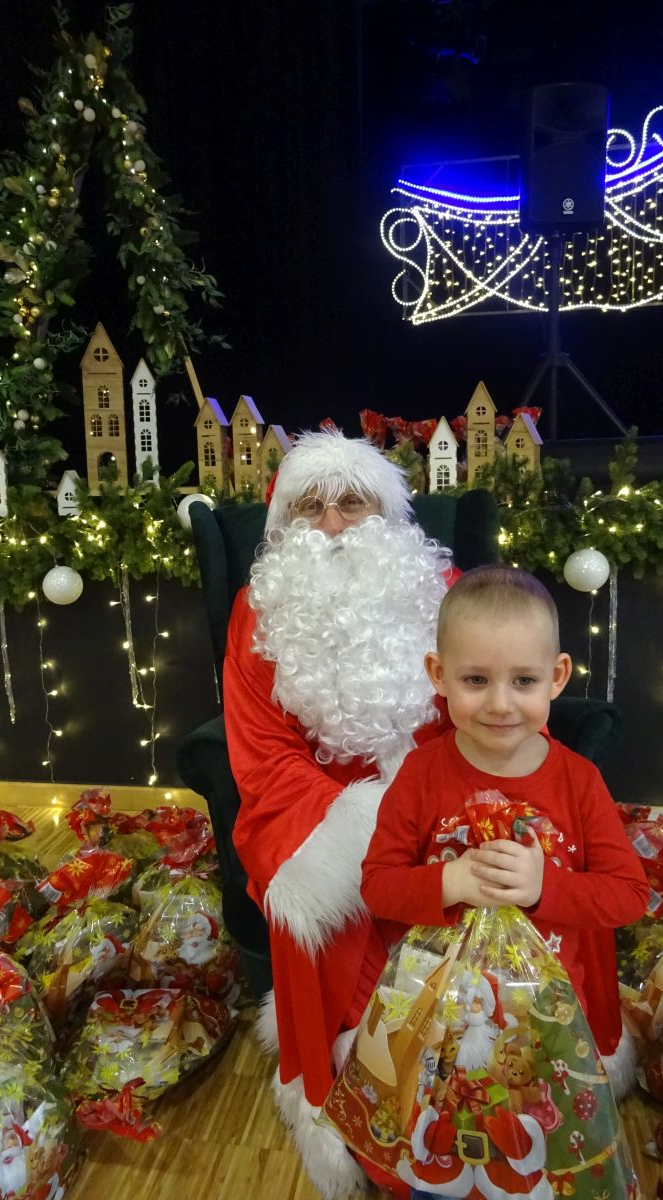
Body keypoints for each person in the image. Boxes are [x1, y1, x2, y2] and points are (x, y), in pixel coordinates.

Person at [223, 427, 458, 1198]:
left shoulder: (445, 591)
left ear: (384, 514)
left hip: (437, 800)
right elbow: (260, 748)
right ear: (285, 522)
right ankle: (340, 1100)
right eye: (310, 507)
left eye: (352, 503)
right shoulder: (256, 610)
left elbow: (482, 713)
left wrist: (423, 815)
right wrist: (356, 825)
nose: (331, 524)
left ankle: (447, 1085)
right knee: (320, 908)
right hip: (308, 813)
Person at [361, 565, 649, 1108]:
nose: (500, 703)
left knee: (535, 1134)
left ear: (557, 677)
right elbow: (377, 887)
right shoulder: (420, 775)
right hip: (437, 1020)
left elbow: (629, 895)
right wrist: (449, 881)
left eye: (524, 681)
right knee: (439, 1135)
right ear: (438, 674)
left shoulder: (579, 781)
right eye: (476, 680)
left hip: (548, 1020)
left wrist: (546, 887)